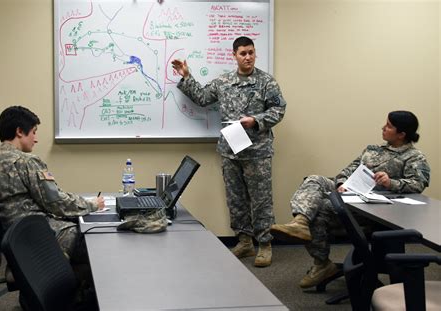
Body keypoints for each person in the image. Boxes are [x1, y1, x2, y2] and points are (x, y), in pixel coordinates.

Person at [271, 110, 430, 288]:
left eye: (389, 126)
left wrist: (391, 182)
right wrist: (341, 183)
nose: (383, 128)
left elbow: (418, 184)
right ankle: (300, 221)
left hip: (374, 207)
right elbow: (349, 169)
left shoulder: (414, 157)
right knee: (314, 179)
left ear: (402, 134)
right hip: (351, 194)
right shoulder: (372, 150)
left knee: (320, 209)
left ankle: (321, 263)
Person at [172, 36, 287, 267]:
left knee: (261, 201)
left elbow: (279, 109)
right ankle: (244, 241)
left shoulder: (267, 82)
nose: (248, 57)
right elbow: (203, 98)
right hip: (230, 151)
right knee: (236, 199)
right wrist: (186, 76)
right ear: (234, 55)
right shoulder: (223, 81)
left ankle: (264, 244)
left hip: (257, 152)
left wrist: (255, 120)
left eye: (251, 52)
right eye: (243, 53)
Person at [0, 106, 105, 288]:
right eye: (34, 132)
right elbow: (56, 202)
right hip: (46, 235)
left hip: (17, 239)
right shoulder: (26, 162)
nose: (36, 139)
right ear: (20, 132)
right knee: (100, 243)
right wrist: (92, 204)